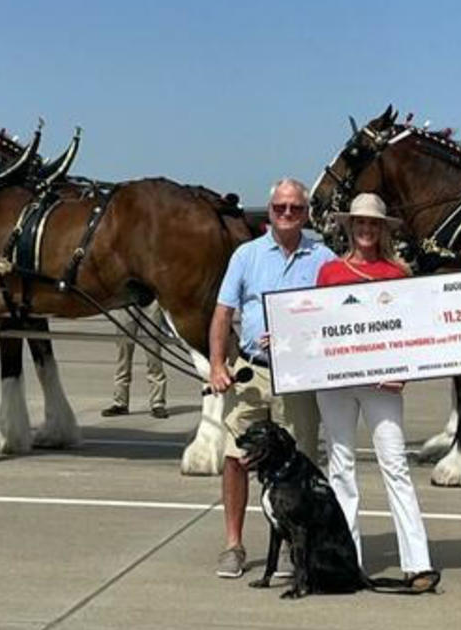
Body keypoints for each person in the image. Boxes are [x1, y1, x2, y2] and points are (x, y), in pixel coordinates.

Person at [208, 177, 337, 578]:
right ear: (270, 210)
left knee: (299, 462)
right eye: (280, 207)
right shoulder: (246, 255)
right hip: (251, 372)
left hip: (298, 376)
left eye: (295, 208)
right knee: (235, 457)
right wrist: (217, 364)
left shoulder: (323, 257)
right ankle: (234, 544)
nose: (286, 214)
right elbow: (223, 313)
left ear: (306, 214)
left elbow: (333, 316)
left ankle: (291, 544)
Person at [315, 193, 439, 592]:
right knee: (341, 468)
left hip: (382, 385)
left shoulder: (397, 274)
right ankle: (346, 560)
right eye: (360, 224)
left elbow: (410, 332)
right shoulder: (330, 272)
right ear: (349, 227)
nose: (366, 230)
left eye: (373, 224)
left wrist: (404, 372)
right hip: (336, 384)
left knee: (395, 465)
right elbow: (316, 326)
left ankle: (417, 563)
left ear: (382, 230)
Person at [102, 301, 168, 419]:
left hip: (150, 302)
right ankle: (120, 403)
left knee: (154, 356)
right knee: (123, 356)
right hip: (127, 303)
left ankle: (158, 403)